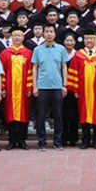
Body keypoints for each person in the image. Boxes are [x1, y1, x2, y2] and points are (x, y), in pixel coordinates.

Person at [66, 28, 96, 149]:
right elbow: (73, 73)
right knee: (83, 114)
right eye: (87, 39)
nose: (89, 41)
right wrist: (75, 90)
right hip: (83, 92)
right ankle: (85, 140)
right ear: (84, 40)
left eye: (91, 39)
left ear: (95, 40)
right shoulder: (78, 55)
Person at [31, 23, 71, 151]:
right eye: (47, 31)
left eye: (51, 31)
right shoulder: (37, 50)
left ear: (55, 33)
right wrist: (35, 86)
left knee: (58, 116)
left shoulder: (61, 49)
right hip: (42, 87)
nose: (49, 34)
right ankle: (41, 142)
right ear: (43, 34)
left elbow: (64, 67)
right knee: (41, 116)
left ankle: (57, 141)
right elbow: (34, 68)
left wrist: (64, 85)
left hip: (57, 87)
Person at [0, 27, 33, 150]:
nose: (17, 38)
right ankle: (12, 140)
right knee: (10, 115)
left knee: (24, 114)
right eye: (15, 36)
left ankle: (22, 141)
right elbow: (1, 73)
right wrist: (2, 88)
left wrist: (29, 88)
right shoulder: (5, 54)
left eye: (19, 35)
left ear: (23, 38)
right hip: (10, 90)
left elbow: (31, 71)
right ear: (11, 38)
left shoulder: (28, 53)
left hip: (24, 90)